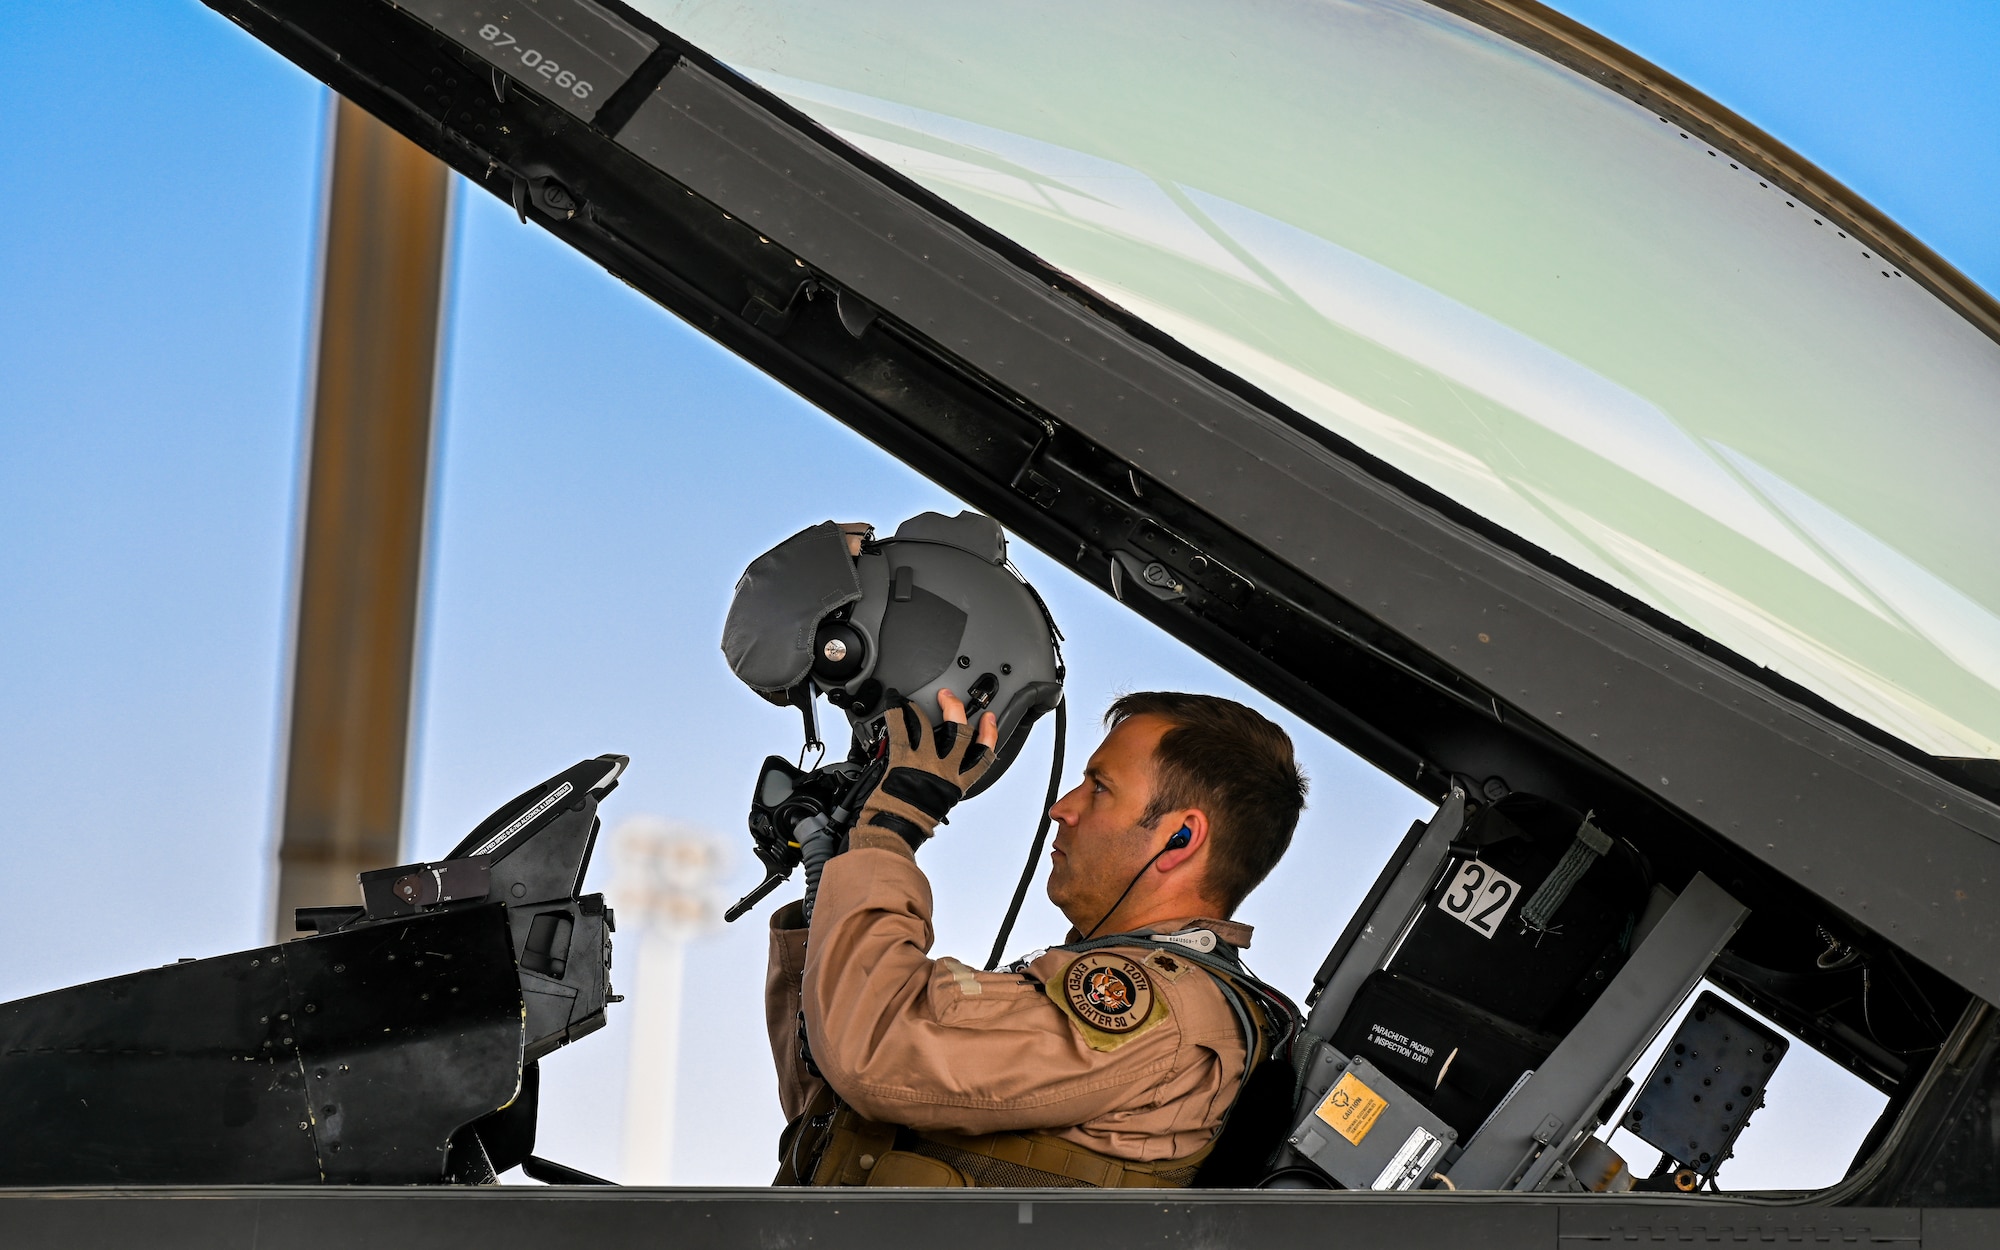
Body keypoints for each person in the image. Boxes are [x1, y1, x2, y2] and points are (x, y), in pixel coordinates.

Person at [765, 689, 1309, 1187]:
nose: (1063, 808)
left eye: (1099, 788)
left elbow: (872, 1054)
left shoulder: (1158, 1008)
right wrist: (835, 867)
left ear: (1180, 838)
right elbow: (833, 1106)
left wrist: (887, 833)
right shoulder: (1105, 987)